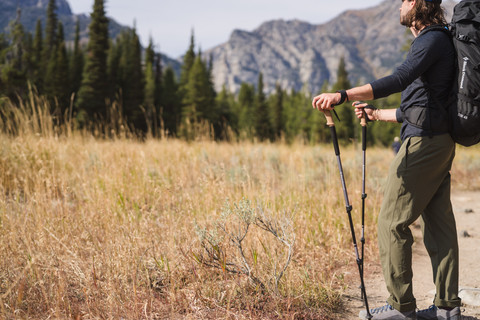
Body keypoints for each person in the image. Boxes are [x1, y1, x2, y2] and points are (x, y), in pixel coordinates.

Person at [312, 0, 461, 319]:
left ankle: (401, 308)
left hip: (422, 145)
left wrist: (343, 95)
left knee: (391, 222)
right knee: (439, 224)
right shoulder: (440, 40)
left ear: (420, 4)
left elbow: (399, 80)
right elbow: (421, 106)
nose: (399, 6)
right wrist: (377, 114)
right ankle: (448, 308)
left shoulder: (432, 39)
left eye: (405, 0)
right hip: (438, 140)